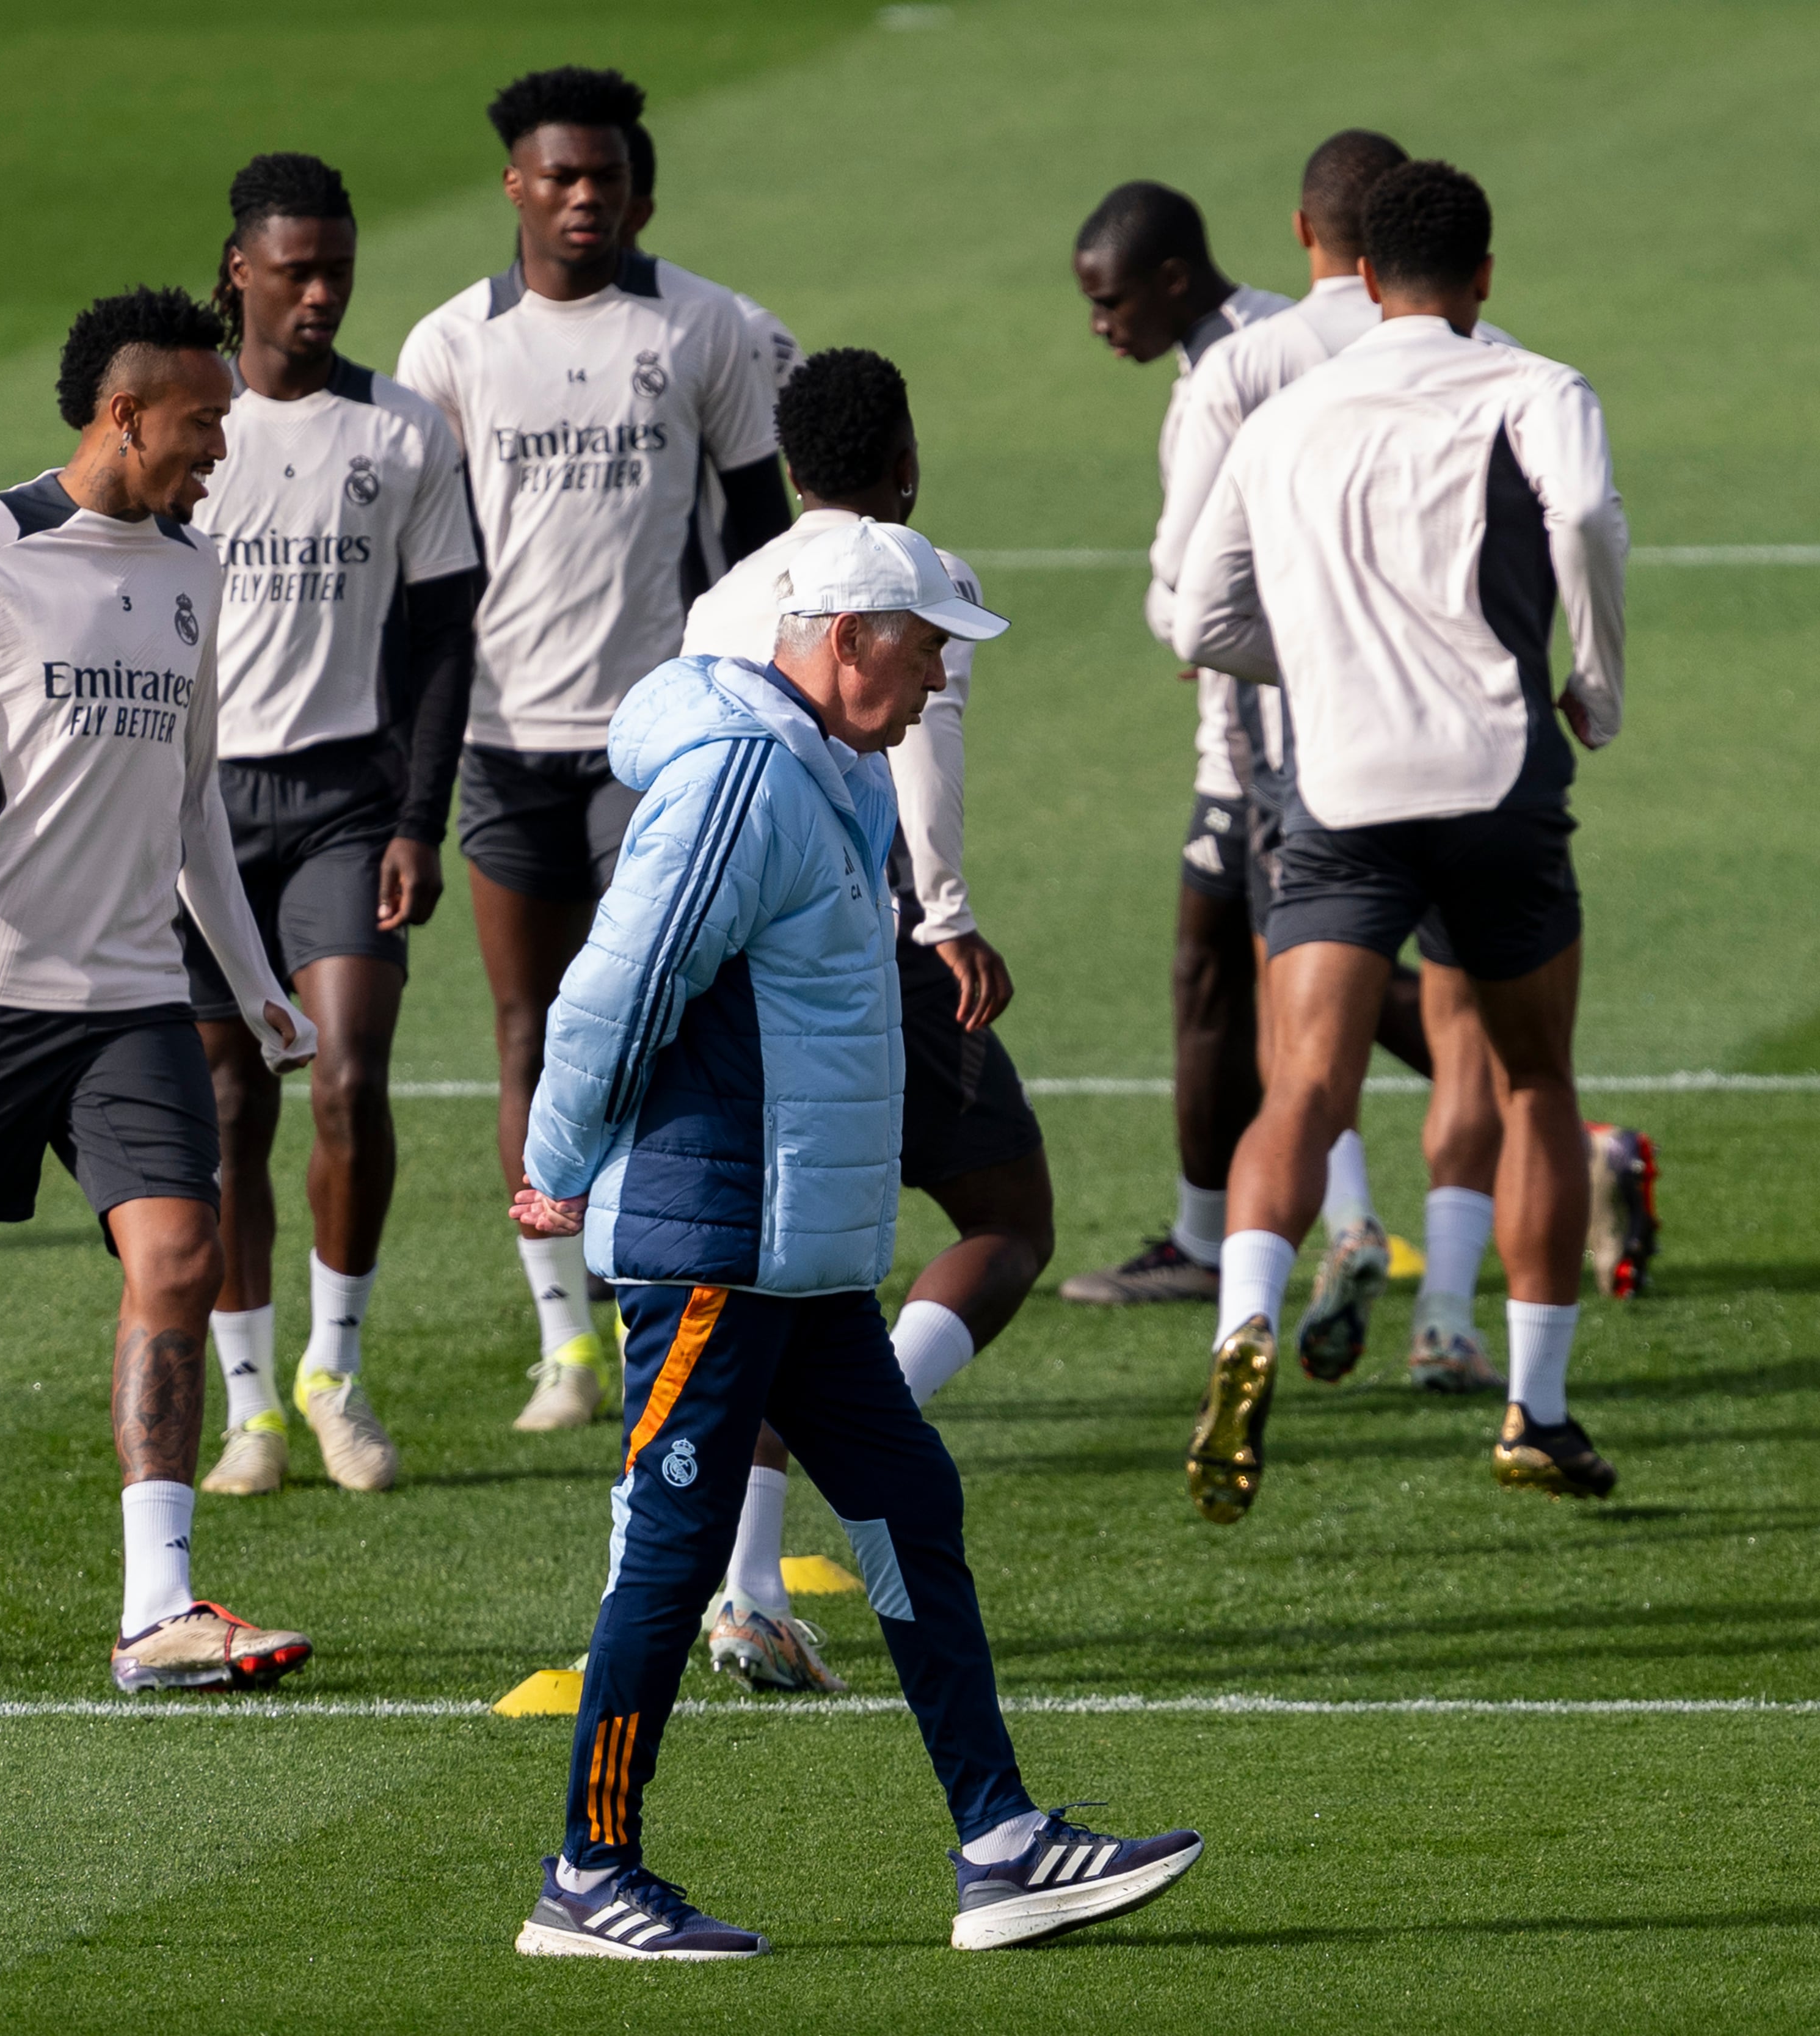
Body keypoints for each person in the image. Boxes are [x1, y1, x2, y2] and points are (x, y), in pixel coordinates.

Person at [508, 519, 1198, 1958]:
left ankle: (1002, 1844)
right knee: (672, 1554)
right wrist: (556, 1169)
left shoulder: (821, 776)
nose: (942, 670)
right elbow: (613, 993)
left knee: (908, 1504)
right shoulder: (746, 784)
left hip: (799, 1255)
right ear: (839, 638)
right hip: (714, 1245)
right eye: (924, 640)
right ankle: (587, 1870)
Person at [0, 286, 319, 1689]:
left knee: (178, 1259)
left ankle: (157, 1608)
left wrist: (254, 981)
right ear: (123, 415)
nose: (222, 446)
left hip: (134, 1003)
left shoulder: (194, 573)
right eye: (203, 423)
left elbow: (192, 805)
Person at [1173, 161, 1628, 1520]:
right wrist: (1593, 681)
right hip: (1494, 781)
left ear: (1360, 275)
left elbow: (1198, 619)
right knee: (1536, 1080)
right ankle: (1533, 1410)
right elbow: (1590, 517)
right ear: (1484, 274)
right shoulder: (1534, 388)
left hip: (1339, 789)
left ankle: (1241, 1324)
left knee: (1300, 1090)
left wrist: (1313, 670)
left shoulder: (1285, 413)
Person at [396, 65, 793, 1432]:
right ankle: (562, 1331)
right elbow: (428, 569)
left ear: (640, 190)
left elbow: (758, 535)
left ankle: (665, 1297)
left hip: (663, 747)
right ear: (514, 184)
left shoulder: (703, 329)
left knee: (667, 1023)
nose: (582, 199)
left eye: (606, 180)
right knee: (532, 1026)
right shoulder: (449, 347)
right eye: (559, 178)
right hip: (506, 744)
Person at [677, 348, 1052, 1693]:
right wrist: (944, 913)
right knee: (1009, 1220)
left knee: (796, 1274)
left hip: (734, 959)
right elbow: (921, 752)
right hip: (868, 944)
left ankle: (749, 1585)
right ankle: (859, 1437)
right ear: (901, 450)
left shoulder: (725, 595)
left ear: (788, 465)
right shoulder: (909, 579)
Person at [1152, 128, 1522, 1394]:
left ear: (1317, 242)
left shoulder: (1250, 371)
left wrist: (1306, 660)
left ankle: (1333, 1231)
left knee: (1302, 1031)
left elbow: (1184, 604)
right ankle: (1456, 1325)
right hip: (1481, 749)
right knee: (1470, 1032)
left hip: (1301, 758)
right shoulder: (1500, 368)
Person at [177, 153, 484, 1498]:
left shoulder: (403, 431)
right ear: (239, 267)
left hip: (346, 805)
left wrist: (422, 817)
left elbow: (440, 648)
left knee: (349, 1076)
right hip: (192, 813)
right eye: (295, 269)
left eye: (338, 270)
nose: (320, 293)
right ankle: (250, 1406)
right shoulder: (183, 424)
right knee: (229, 1101)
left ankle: (335, 1372)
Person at [1056, 181, 1289, 1309]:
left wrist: (1189, 629)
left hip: (1256, 724)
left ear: (1173, 280)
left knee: (1235, 964)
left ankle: (1207, 1243)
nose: (1101, 326)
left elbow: (1182, 585)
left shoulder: (1220, 383)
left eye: (1110, 304)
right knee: (1266, 959)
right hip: (1306, 705)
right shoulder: (1286, 329)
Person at [616, 115, 804, 602]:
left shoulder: (741, 330)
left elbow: (790, 486)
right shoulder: (483, 339)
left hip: (700, 628)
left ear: (636, 207)